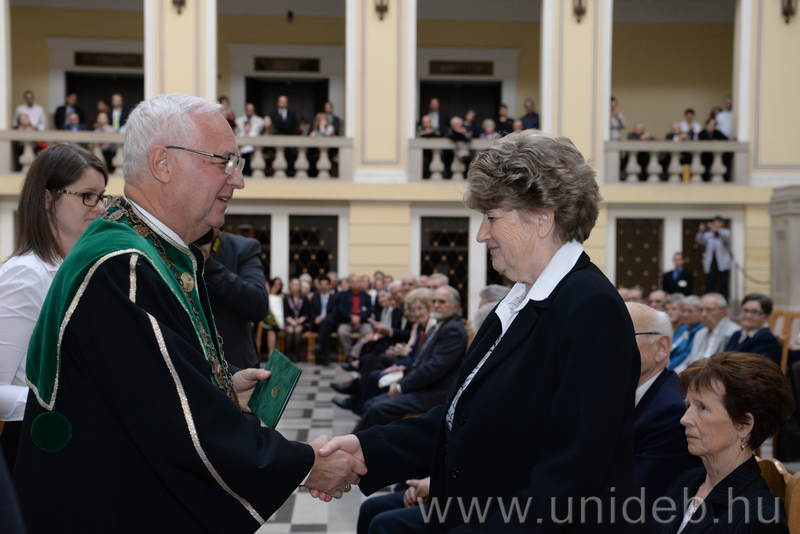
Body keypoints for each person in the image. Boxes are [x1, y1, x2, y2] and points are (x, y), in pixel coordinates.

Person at [13, 93, 364, 532]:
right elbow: (178, 425)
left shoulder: (144, 249)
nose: (238, 181)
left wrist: (220, 386)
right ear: (162, 163)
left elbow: (150, 381)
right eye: (224, 162)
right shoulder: (123, 265)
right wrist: (306, 463)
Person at [317, 130, 645, 531]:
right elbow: (464, 419)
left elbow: (569, 479)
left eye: (492, 218)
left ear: (542, 218)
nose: (481, 234)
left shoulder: (591, 310)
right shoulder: (517, 301)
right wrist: (366, 449)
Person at [0, 144, 109, 473]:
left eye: (102, 196)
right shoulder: (27, 275)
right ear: (48, 199)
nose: (100, 208)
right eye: (87, 196)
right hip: (35, 448)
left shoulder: (74, 269)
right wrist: (66, 405)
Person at [649, 352, 794, 533]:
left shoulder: (760, 518)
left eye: (702, 407)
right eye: (688, 405)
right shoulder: (685, 481)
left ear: (744, 425)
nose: (684, 419)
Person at [352, 285, 467, 431]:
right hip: (426, 386)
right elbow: (423, 362)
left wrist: (401, 386)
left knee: (376, 407)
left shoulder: (453, 330)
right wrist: (404, 376)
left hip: (435, 393)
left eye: (442, 301)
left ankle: (352, 443)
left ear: (455, 306)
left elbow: (433, 369)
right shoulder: (442, 324)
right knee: (371, 403)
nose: (436, 305)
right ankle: (362, 441)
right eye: (434, 301)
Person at [627, 303, 700, 517]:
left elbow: (635, 500)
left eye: (619, 334)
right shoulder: (618, 393)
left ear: (661, 347)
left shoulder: (672, 412)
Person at [198, 228, 269, 369]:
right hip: (189, 360)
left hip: (235, 361)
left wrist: (209, 265)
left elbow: (258, 305)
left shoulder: (241, 248)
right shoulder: (168, 246)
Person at [676, 293, 740, 373]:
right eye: (701, 310)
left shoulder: (734, 333)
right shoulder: (700, 333)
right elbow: (690, 360)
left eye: (709, 310)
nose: (704, 314)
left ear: (724, 312)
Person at [724, 293, 781, 366]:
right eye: (745, 310)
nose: (748, 315)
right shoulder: (737, 334)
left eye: (755, 312)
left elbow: (753, 369)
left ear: (767, 316)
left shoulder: (767, 340)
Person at [695, 217, 732, 300]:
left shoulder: (725, 232)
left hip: (723, 263)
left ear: (722, 223)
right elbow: (699, 240)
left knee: (723, 283)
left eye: (717, 222)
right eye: (714, 222)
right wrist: (701, 231)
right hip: (711, 262)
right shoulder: (708, 234)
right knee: (710, 282)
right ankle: (709, 300)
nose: (715, 224)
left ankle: (724, 300)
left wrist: (717, 230)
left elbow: (727, 236)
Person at [669, 295, 703, 371]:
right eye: (683, 311)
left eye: (690, 311)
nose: (685, 314)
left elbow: (685, 356)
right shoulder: (684, 328)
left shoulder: (701, 331)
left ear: (700, 312)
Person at [284, 278, 310, 362]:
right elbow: (286, 313)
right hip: (290, 321)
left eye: (297, 284)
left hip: (301, 322)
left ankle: (296, 354)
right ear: (290, 286)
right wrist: (292, 322)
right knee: (290, 330)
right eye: (294, 284)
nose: (296, 286)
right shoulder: (287, 297)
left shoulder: (304, 298)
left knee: (297, 330)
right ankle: (287, 354)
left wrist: (298, 321)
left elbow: (306, 314)